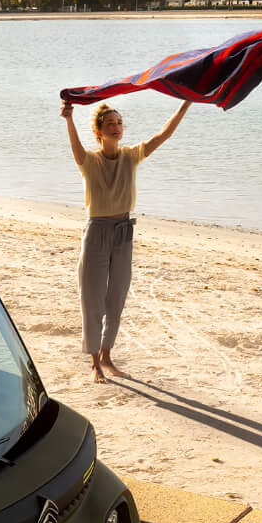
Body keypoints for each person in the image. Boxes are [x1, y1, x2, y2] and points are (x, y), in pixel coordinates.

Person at [62, 97, 191, 380]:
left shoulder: (131, 156)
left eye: (120, 123)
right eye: (111, 124)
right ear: (99, 131)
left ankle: (107, 356)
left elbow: (164, 135)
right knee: (92, 300)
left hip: (123, 232)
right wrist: (69, 119)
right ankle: (95, 362)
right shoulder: (89, 162)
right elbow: (75, 148)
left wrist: (186, 102)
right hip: (96, 232)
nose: (117, 127)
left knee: (116, 298)